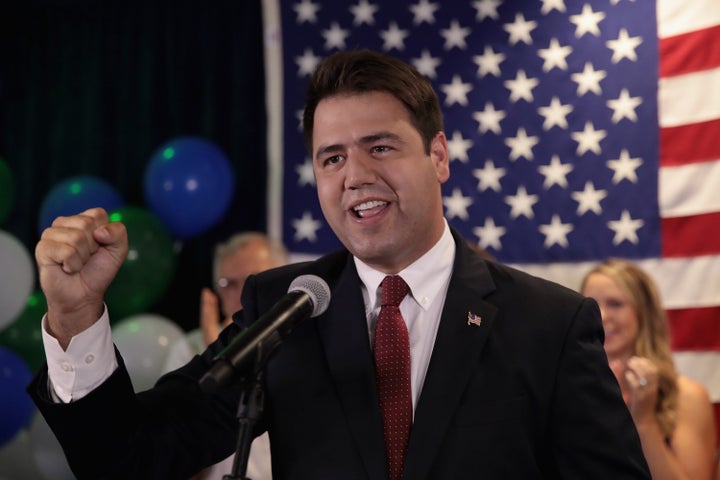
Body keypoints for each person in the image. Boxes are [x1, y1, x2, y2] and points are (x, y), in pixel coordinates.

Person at [28, 49, 651, 479]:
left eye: (380, 146)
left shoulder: (552, 323)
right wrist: (75, 313)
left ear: (438, 155)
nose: (356, 176)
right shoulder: (284, 308)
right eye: (331, 158)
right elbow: (134, 460)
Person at [580, 258, 716, 480]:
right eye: (591, 305)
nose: (601, 316)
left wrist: (644, 419)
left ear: (644, 313)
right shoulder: (570, 389)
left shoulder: (686, 396)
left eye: (615, 304)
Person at [179, 232, 288, 480]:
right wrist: (218, 365)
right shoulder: (190, 348)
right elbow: (177, 463)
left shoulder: (307, 348)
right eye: (229, 284)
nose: (241, 296)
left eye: (253, 280)